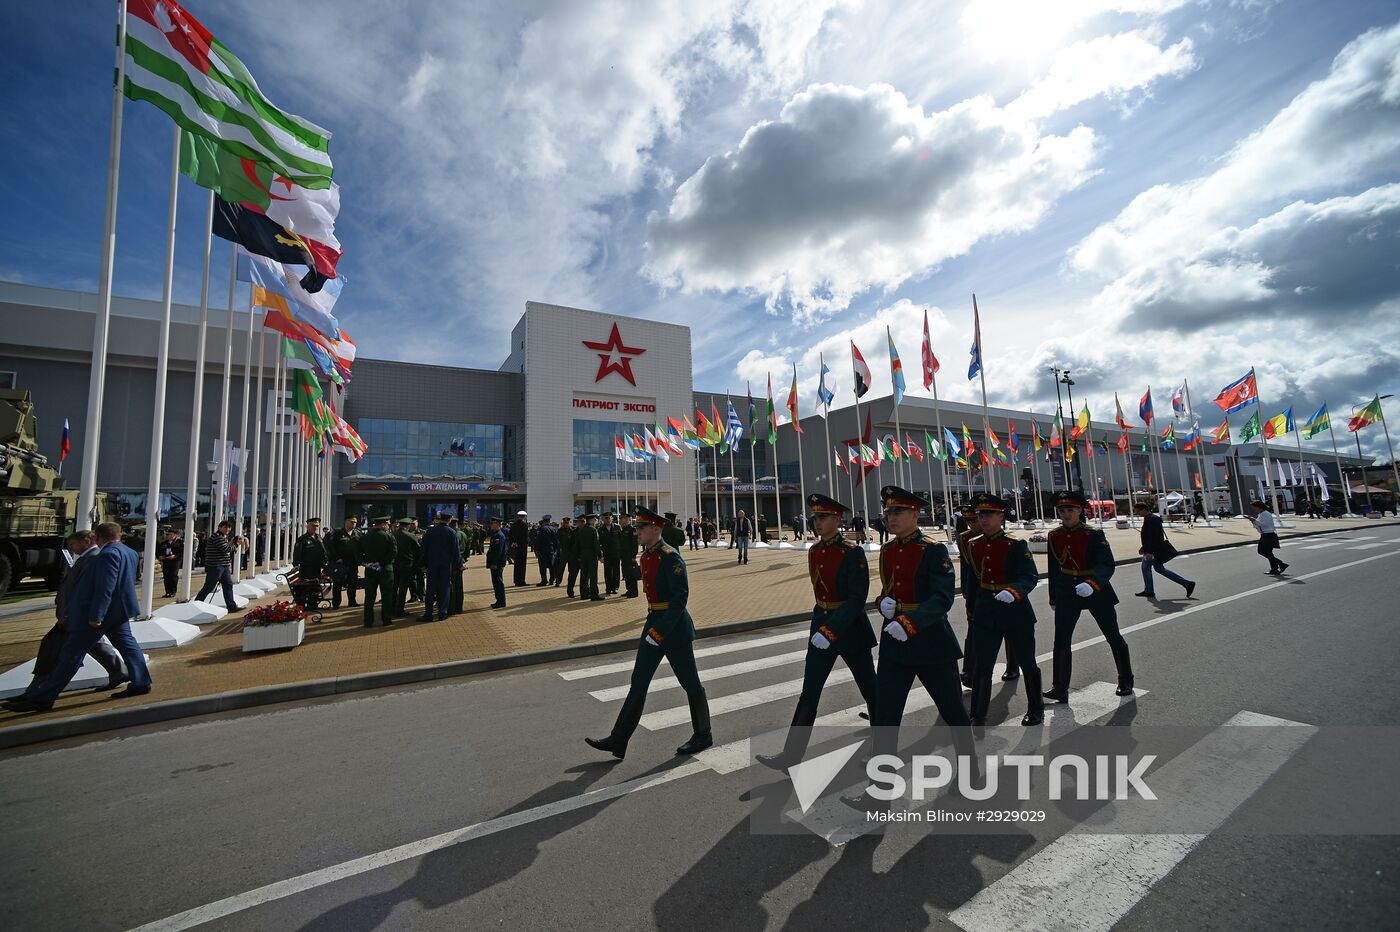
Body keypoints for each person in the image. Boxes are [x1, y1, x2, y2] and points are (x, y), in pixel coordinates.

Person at [758, 493, 876, 769]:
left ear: (838, 519)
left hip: (849, 629)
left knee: (870, 688)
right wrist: (821, 625)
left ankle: (883, 745)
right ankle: (790, 756)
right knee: (809, 691)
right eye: (816, 517)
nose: (817, 522)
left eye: (823, 517)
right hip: (821, 625)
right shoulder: (815, 550)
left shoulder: (852, 552)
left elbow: (857, 600)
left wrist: (831, 628)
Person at [586, 506, 711, 759]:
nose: (637, 532)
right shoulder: (647, 556)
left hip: (673, 629)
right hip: (653, 623)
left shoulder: (670, 556)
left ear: (656, 529)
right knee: (638, 682)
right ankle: (618, 740)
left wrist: (660, 631)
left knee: (690, 683)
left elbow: (680, 598)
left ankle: (703, 734)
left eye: (641, 528)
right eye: (637, 528)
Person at [6, 522, 152, 712]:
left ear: (99, 537)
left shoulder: (107, 555)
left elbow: (105, 588)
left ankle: (42, 697)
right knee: (129, 647)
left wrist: (97, 615)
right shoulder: (129, 552)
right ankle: (141, 681)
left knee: (70, 655)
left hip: (99, 613)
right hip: (120, 611)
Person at [1043, 491, 1134, 702]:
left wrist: (1093, 584)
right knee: (1061, 640)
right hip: (1067, 590)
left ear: (1080, 511)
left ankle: (1126, 678)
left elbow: (1106, 564)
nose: (1066, 515)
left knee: (1112, 635)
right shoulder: (1054, 535)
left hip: (1095, 590)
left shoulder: (1093, 534)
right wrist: (1053, 596)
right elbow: (1054, 568)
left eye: (1070, 510)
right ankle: (1060, 687)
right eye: (1062, 510)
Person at [964, 492, 1043, 726]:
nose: (984, 519)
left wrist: (1015, 591)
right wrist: (971, 609)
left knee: (1027, 662)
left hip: (1015, 611)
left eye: (989, 514)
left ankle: (1036, 709)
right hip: (986, 611)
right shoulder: (973, 545)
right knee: (983, 665)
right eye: (981, 515)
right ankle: (978, 714)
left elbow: (1030, 576)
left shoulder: (1015, 544)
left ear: (1001, 516)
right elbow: (973, 581)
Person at [957, 502, 1019, 688]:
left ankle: (1013, 666)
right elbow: (967, 567)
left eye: (974, 520)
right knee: (973, 629)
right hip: (979, 589)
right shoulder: (965, 539)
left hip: (1004, 588)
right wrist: (967, 591)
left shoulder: (1005, 540)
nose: (972, 524)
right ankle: (969, 670)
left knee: (1009, 630)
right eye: (968, 520)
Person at [1134, 502, 1196, 598]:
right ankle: (1187, 584)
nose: (1137, 513)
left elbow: (1153, 537)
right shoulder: (1151, 518)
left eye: (1138, 511)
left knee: (1146, 569)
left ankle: (1149, 590)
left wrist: (1149, 551)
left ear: (1143, 509)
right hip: (1154, 549)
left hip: (1152, 551)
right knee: (1160, 569)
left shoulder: (1151, 519)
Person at [420, 512, 462, 621]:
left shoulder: (430, 531)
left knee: (430, 589)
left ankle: (428, 614)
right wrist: (459, 564)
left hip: (432, 564)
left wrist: (422, 564)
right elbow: (456, 551)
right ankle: (442, 614)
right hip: (445, 564)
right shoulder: (452, 532)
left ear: (439, 519)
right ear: (449, 519)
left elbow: (423, 549)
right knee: (444, 589)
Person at [360, 516, 398, 627]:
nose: (388, 527)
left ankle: (368, 621)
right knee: (387, 595)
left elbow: (357, 553)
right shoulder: (389, 536)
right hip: (385, 570)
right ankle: (386, 619)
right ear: (383, 524)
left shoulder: (365, 537)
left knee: (369, 596)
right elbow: (393, 552)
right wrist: (381, 563)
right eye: (387, 524)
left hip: (370, 569)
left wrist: (369, 563)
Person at [195, 520, 239, 611]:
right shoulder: (217, 537)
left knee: (228, 585)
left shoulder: (223, 537)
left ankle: (231, 606)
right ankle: (197, 603)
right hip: (215, 566)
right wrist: (235, 544)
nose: (227, 529)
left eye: (229, 527)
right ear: (219, 527)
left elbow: (226, 548)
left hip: (224, 565)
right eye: (225, 527)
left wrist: (232, 544)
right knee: (209, 586)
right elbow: (225, 549)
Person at [1249, 500, 1289, 576]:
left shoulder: (1266, 514)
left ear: (1259, 507)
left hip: (1268, 535)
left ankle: (1280, 564)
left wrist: (1254, 521)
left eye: (1255, 507)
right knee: (1268, 553)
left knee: (1262, 551)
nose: (1254, 509)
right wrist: (1253, 522)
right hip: (1265, 535)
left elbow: (1264, 525)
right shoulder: (1261, 514)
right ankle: (1275, 568)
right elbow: (1259, 525)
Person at [329, 515, 361, 608]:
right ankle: (336, 603)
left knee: (352, 583)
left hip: (353, 562)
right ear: (346, 522)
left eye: (355, 522)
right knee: (338, 583)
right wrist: (336, 558)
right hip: (340, 563)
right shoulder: (338, 533)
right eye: (351, 522)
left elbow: (361, 547)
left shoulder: (357, 533)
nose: (353, 524)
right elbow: (331, 547)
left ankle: (352, 601)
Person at [392, 518, 421, 618]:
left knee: (394, 587)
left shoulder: (393, 535)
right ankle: (399, 609)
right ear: (408, 525)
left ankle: (391, 608)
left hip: (394, 565)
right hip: (407, 565)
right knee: (403, 588)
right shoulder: (410, 536)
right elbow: (418, 551)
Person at [292, 518, 329, 588]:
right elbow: (297, 553)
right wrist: (296, 564)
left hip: (317, 569)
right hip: (307, 570)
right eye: (313, 526)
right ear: (307, 526)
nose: (315, 528)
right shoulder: (302, 539)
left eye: (317, 526)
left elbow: (323, 551)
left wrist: (325, 563)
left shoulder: (318, 537)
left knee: (316, 590)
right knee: (308, 590)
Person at [575, 513, 603, 601]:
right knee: (593, 575)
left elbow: (577, 544)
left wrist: (578, 555)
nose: (595, 521)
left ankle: (584, 594)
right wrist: (600, 555)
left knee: (584, 575)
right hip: (591, 554)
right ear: (591, 520)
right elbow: (596, 544)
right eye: (595, 519)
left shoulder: (581, 530)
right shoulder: (593, 530)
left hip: (583, 554)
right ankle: (594, 594)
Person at [485, 515, 509, 608]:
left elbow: (498, 552)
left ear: (498, 524)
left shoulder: (499, 535)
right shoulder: (496, 534)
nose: (491, 525)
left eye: (493, 523)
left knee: (498, 583)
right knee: (496, 582)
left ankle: (501, 602)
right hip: (495, 563)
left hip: (497, 564)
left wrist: (494, 563)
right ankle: (499, 600)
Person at [620, 511, 642, 598]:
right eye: (620, 519)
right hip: (624, 556)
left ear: (627, 520)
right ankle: (629, 590)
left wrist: (633, 556)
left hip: (629, 556)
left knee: (631, 574)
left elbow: (634, 544)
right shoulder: (623, 530)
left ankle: (633, 592)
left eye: (622, 519)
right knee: (626, 574)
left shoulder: (632, 530)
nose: (620, 521)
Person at [156, 528, 182, 599]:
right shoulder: (163, 543)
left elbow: (181, 552)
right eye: (167, 534)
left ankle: (173, 591)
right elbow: (158, 552)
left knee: (173, 575)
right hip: (166, 561)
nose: (168, 536)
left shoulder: (179, 542)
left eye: (170, 534)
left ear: (174, 535)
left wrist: (175, 556)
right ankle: (167, 592)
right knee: (166, 576)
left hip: (175, 561)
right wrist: (159, 556)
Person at [599, 512, 621, 595]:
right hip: (606, 554)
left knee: (616, 571)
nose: (608, 520)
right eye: (606, 518)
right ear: (603, 519)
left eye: (609, 518)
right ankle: (608, 588)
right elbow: (599, 543)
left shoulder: (617, 527)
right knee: (607, 572)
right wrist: (600, 555)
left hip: (616, 553)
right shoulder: (600, 529)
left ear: (612, 518)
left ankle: (615, 587)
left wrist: (621, 553)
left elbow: (621, 540)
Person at [533, 516, 559, 587]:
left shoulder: (541, 529)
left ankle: (544, 580)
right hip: (551, 549)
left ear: (544, 521)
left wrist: (536, 549)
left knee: (542, 566)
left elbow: (538, 540)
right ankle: (552, 580)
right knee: (551, 566)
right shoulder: (553, 529)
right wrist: (555, 549)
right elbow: (556, 541)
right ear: (549, 521)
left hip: (543, 550)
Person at [510, 511, 530, 587]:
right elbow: (525, 536)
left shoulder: (513, 525)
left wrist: (514, 542)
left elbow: (510, 535)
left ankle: (516, 580)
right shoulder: (524, 525)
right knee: (522, 564)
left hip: (515, 546)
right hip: (522, 547)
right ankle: (521, 581)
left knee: (516, 564)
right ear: (524, 517)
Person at [555, 516, 574, 590]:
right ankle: (558, 581)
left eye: (567, 523)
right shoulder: (560, 531)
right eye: (565, 523)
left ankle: (570, 582)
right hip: (563, 552)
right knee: (561, 568)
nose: (566, 524)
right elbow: (557, 540)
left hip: (571, 552)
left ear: (570, 523)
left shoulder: (573, 530)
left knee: (571, 569)